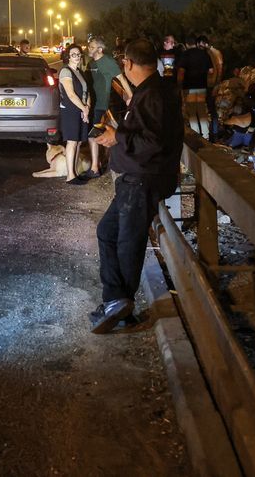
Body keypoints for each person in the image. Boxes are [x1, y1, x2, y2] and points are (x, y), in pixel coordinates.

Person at [89, 38, 183, 333]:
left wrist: (117, 137)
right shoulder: (153, 90)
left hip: (142, 179)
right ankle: (116, 300)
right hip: (135, 178)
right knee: (107, 232)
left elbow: (152, 142)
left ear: (128, 63)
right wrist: (117, 134)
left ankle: (120, 305)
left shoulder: (153, 94)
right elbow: (147, 133)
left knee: (129, 242)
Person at [86, 37, 122, 178]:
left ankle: (103, 166)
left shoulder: (108, 61)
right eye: (89, 46)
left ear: (100, 49)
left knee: (104, 134)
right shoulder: (90, 64)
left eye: (92, 47)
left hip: (105, 104)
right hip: (93, 104)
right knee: (92, 134)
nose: (89, 49)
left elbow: (121, 78)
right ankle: (96, 165)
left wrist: (130, 97)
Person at [59, 43, 90, 185]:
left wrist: (87, 107)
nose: (77, 57)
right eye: (73, 54)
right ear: (68, 57)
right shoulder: (66, 72)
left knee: (78, 142)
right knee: (72, 141)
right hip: (70, 110)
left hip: (81, 110)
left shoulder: (79, 72)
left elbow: (86, 92)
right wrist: (84, 108)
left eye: (78, 54)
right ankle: (70, 176)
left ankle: (75, 173)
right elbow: (71, 94)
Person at [176, 36, 214, 137]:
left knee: (192, 113)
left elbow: (181, 71)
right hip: (202, 87)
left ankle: (196, 135)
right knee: (202, 111)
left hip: (189, 88)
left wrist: (179, 85)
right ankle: (206, 136)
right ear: (196, 43)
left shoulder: (185, 55)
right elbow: (211, 71)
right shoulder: (204, 54)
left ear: (186, 44)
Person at [198, 35, 224, 139]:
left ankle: (213, 133)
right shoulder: (212, 52)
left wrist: (217, 85)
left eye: (200, 45)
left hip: (210, 85)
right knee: (210, 109)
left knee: (210, 109)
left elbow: (220, 70)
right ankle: (211, 132)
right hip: (207, 85)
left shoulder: (214, 53)